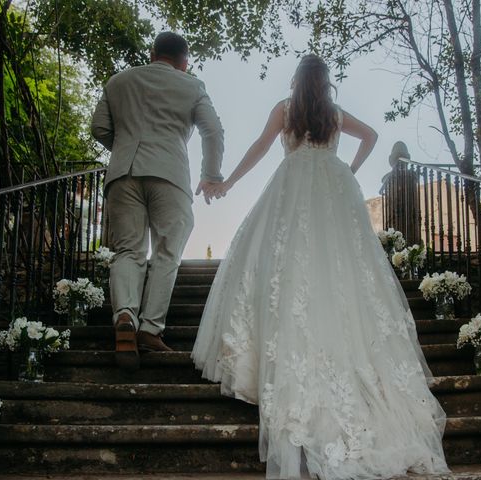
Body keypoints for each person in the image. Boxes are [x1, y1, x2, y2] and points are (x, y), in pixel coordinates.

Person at [192, 55, 449, 479]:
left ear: (297, 79)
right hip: (333, 186)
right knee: (340, 269)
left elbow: (260, 146)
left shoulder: (286, 109)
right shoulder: (333, 113)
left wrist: (229, 183)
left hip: (292, 186)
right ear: (325, 81)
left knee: (288, 267)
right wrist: (349, 167)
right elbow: (371, 136)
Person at [92, 31, 224, 371]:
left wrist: (124, 151)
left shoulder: (118, 81)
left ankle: (124, 315)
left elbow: (99, 128)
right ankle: (150, 329)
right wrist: (211, 174)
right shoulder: (192, 85)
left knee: (128, 251)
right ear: (184, 61)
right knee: (167, 252)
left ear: (153, 53)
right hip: (170, 174)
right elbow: (213, 130)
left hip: (123, 175)